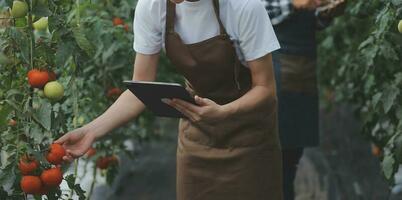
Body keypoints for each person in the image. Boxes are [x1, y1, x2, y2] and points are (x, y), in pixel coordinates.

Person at [56, 0, 284, 199]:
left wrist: (225, 112)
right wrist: (91, 131)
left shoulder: (243, 6)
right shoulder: (153, 7)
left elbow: (265, 88)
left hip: (249, 138)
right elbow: (140, 90)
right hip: (198, 136)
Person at [262, 0, 346, 199]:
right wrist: (294, 4)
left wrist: (324, 13)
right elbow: (251, 10)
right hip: (272, 70)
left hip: (300, 72)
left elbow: (310, 18)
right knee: (271, 160)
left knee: (290, 158)